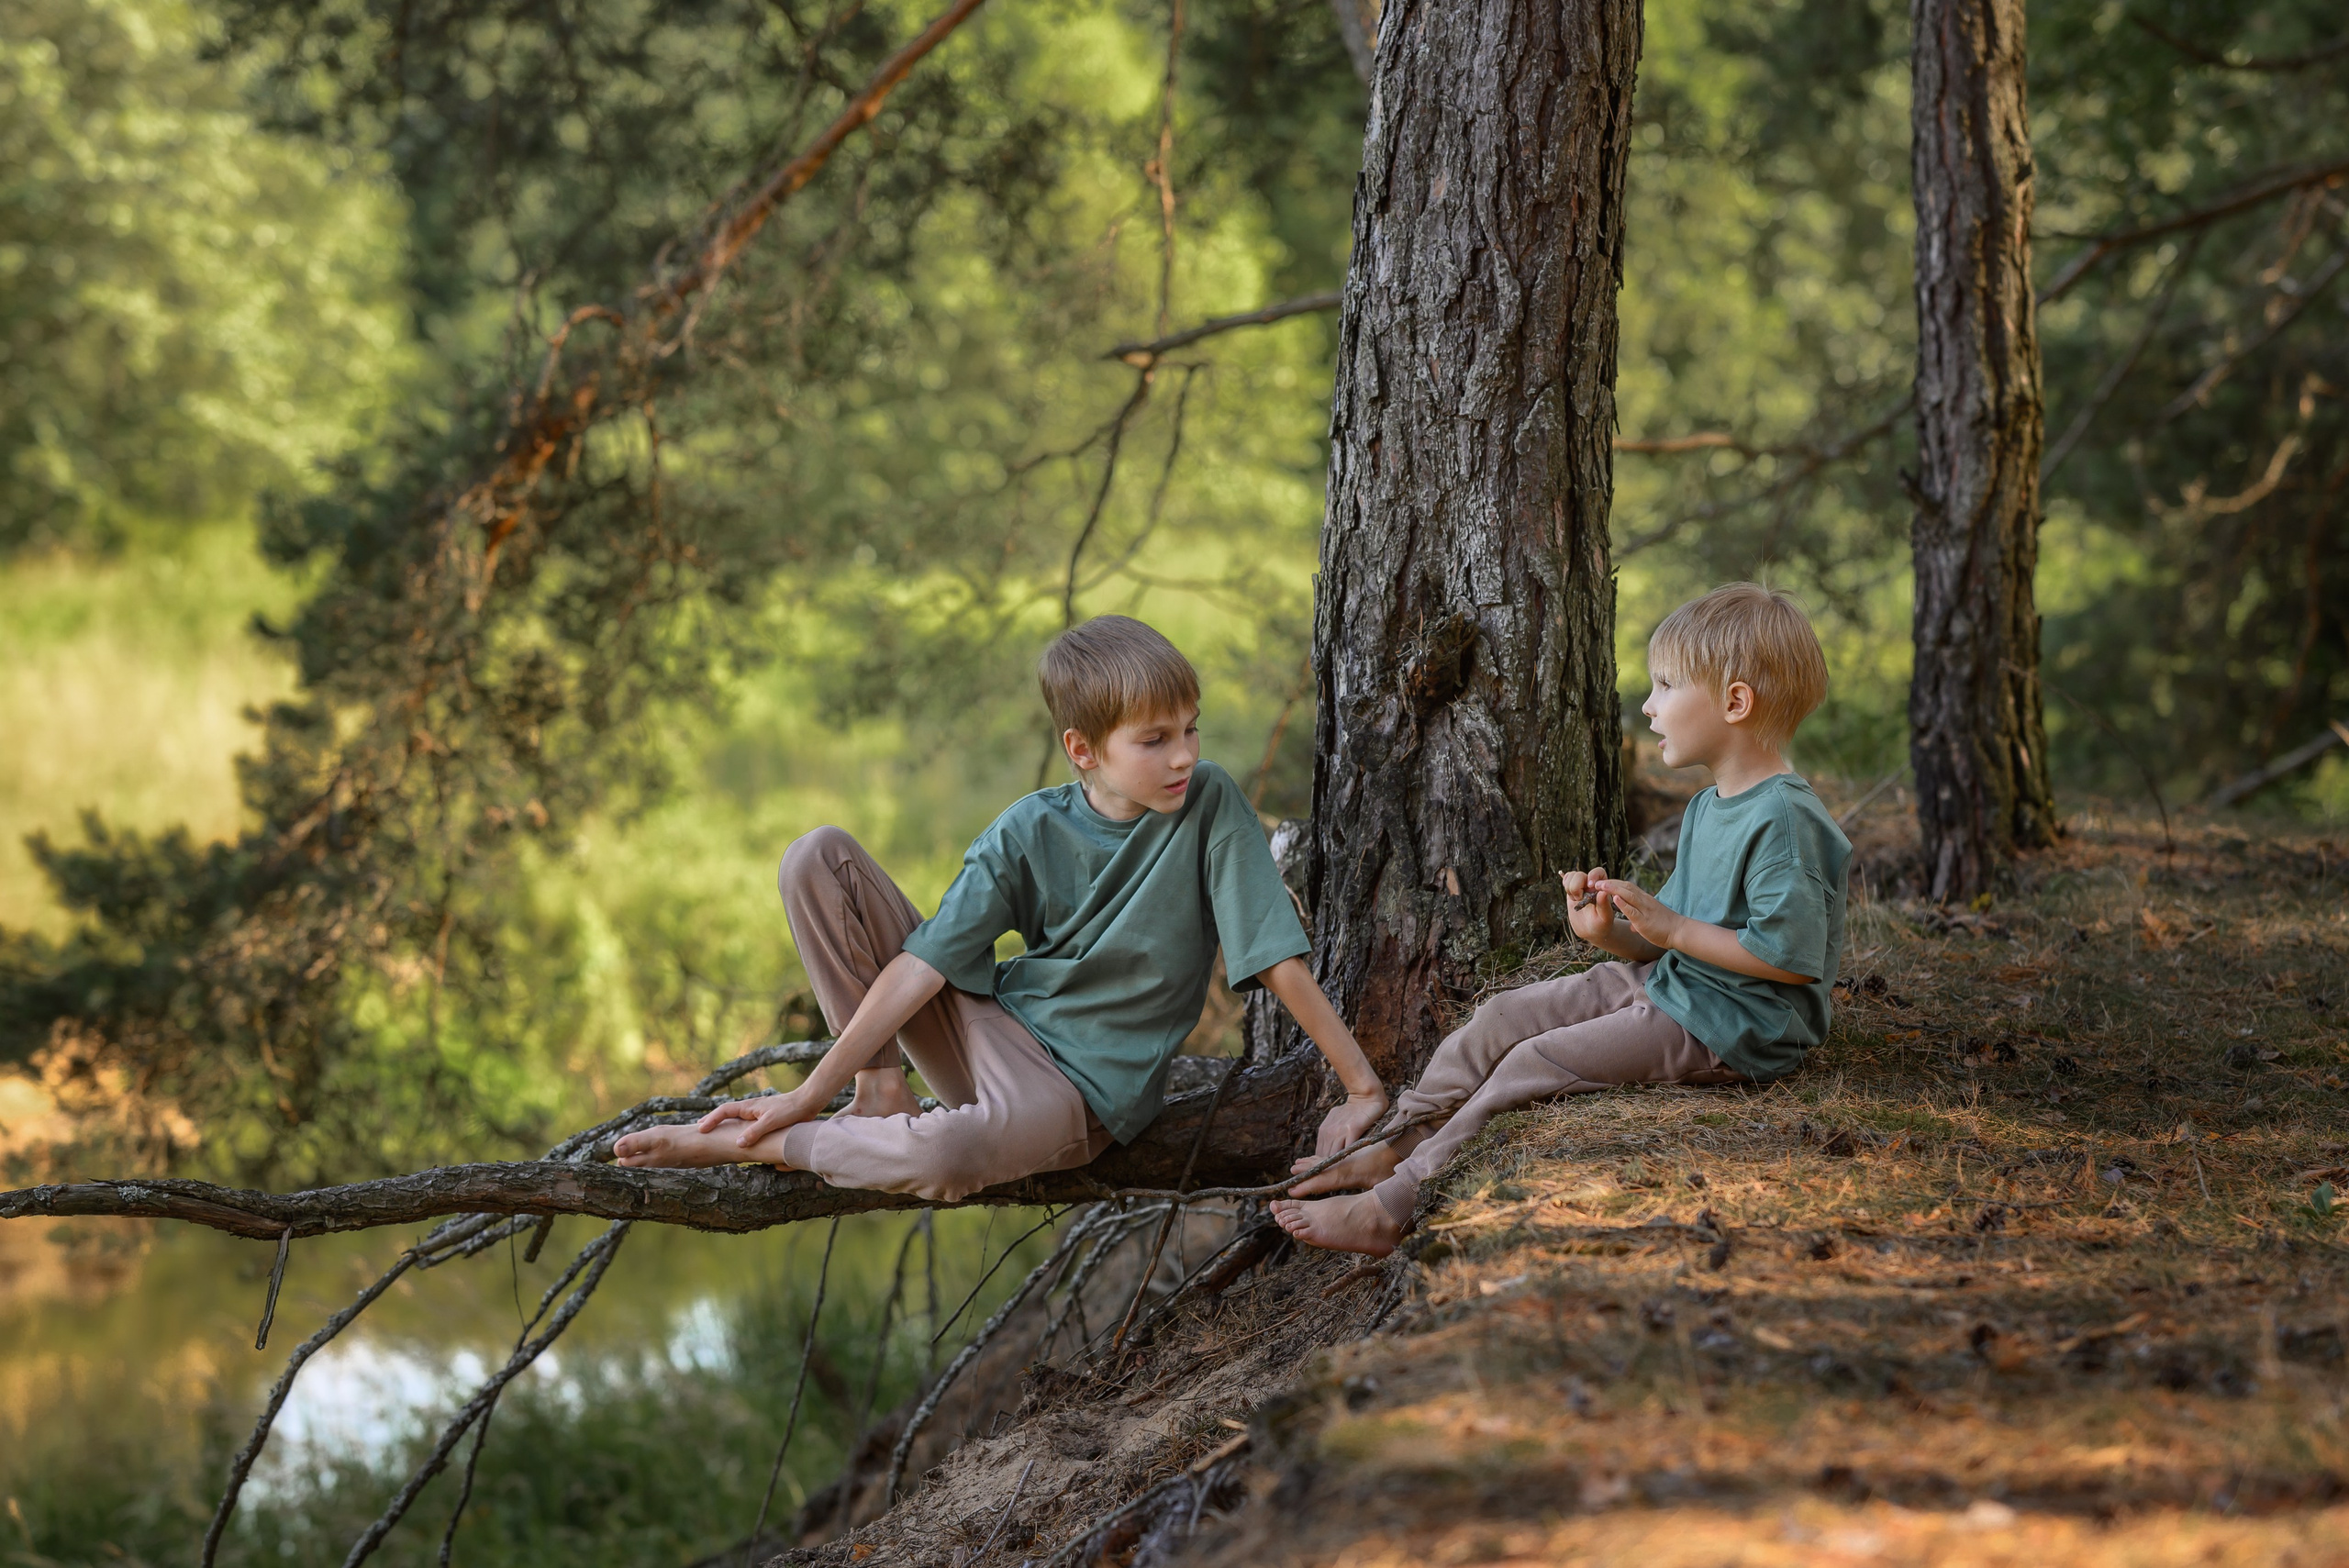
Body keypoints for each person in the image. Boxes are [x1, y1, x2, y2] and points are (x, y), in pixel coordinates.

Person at [615, 615, 1388, 1197]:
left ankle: (756, 1145)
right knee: (816, 856)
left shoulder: (1208, 800)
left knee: (944, 1157)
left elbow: (1274, 958)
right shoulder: (1029, 828)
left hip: (1074, 1094)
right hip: (994, 1025)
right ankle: (877, 1095)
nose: (1183, 753)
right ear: (1083, 749)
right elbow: (924, 965)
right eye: (1154, 739)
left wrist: (1362, 1088)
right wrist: (813, 1088)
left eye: (1190, 729)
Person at [1272, 583, 1852, 1256]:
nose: (1648, 705)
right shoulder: (1708, 806)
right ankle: (1397, 1143)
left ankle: (1391, 1207)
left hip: (1732, 1025)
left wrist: (1671, 931)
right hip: (1679, 986)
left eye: (1666, 686)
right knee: (1501, 1018)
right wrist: (1612, 933)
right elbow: (1673, 942)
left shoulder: (1786, 820)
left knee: (1532, 1062)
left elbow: (1788, 958)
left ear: (1735, 702)